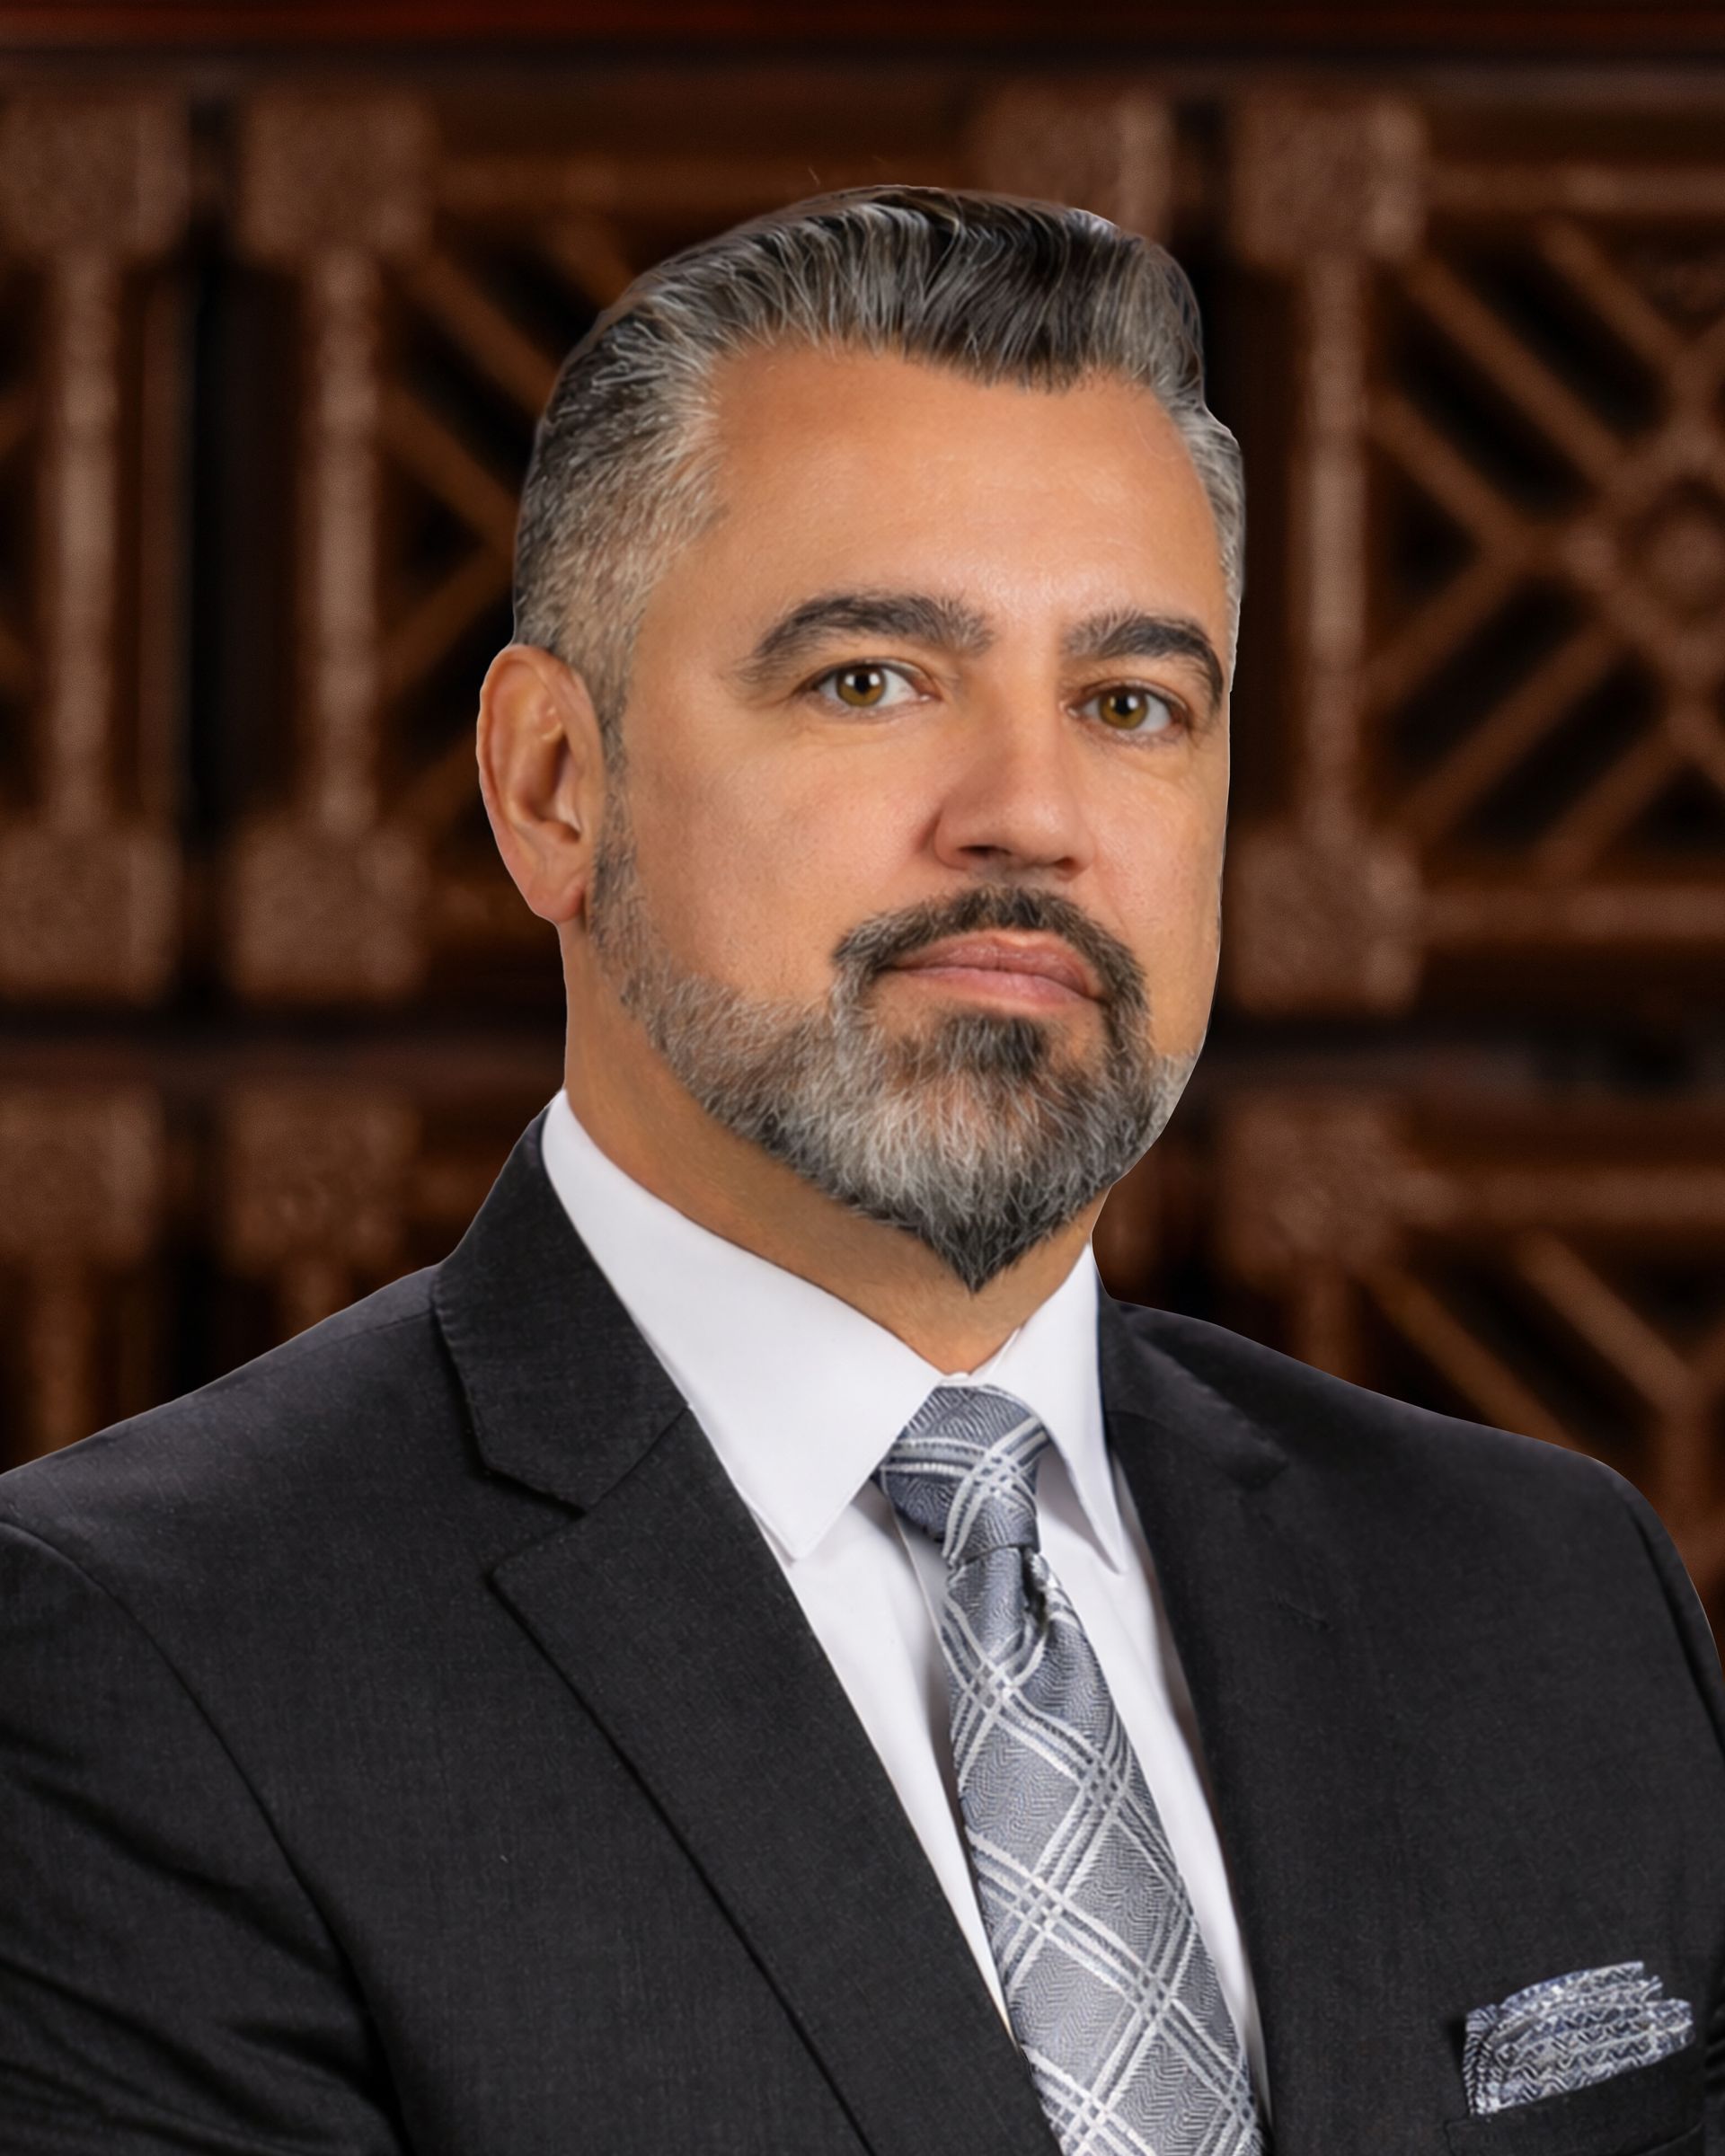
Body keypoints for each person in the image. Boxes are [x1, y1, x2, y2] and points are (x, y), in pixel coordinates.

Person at [2, 186, 1721, 2156]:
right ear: (554, 785)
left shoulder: (1548, 1600)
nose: (1032, 816)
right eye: (873, 681)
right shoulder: (134, 1662)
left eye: (1132, 704)